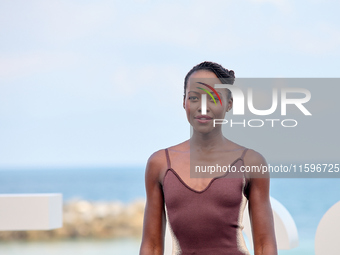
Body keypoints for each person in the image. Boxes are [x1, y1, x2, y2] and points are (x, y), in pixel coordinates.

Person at [139, 61, 278, 255]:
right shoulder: (160, 164)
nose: (202, 107)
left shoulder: (251, 162)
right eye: (194, 97)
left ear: (229, 103)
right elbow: (152, 247)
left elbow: (265, 246)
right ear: (184, 102)